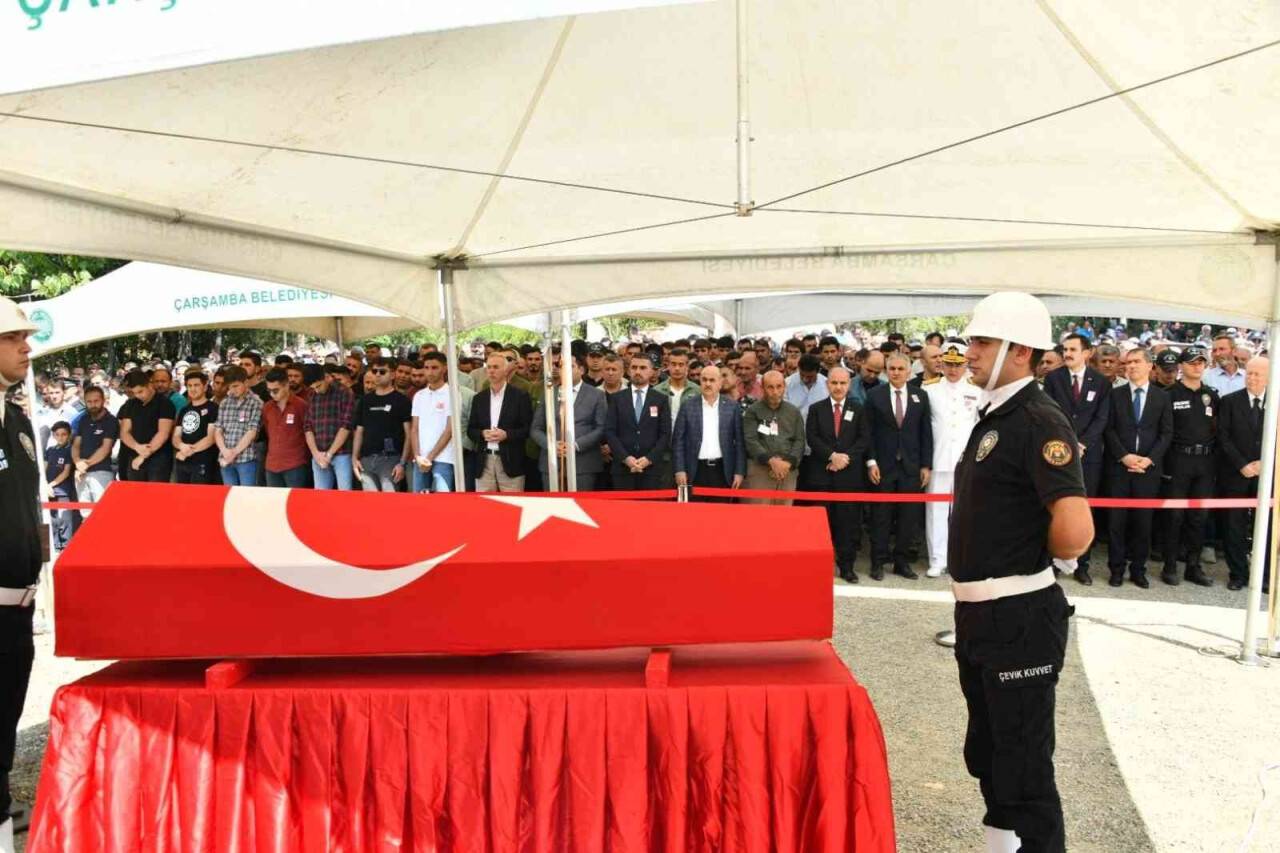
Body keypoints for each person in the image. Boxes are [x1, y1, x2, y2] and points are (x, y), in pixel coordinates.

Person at [949, 292, 1093, 853]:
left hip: (1019, 616)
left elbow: (1075, 529)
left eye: (983, 341)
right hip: (982, 613)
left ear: (1020, 351)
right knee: (988, 753)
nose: (971, 351)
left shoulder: (1037, 418)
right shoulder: (999, 414)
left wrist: (1037, 555)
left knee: (1026, 768)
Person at [0, 298, 41, 850]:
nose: (26, 348)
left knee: (5, 724)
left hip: (19, 608)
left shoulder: (16, 418)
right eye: (13, 338)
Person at [1042, 333, 1112, 585]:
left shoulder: (1101, 383)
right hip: (1058, 453)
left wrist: (1082, 443)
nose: (1067, 353)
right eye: (1065, 349)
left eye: (1073, 349)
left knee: (1085, 508)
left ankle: (1082, 565)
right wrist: (1069, 444)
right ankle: (1054, 562)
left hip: (1088, 455)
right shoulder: (1053, 379)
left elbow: (1102, 419)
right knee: (1055, 506)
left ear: (1087, 352)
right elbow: (1048, 413)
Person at [1103, 348, 1173, 588]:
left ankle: (1138, 570)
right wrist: (1124, 456)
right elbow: (1108, 429)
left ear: (1149, 365)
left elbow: (1166, 433)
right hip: (1119, 469)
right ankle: (1116, 569)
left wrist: (1148, 459)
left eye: (1136, 361)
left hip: (1148, 471)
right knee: (1117, 522)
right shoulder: (1115, 395)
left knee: (1143, 523)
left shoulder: (1162, 397)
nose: (1131, 366)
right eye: (1128, 362)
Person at [866, 352, 933, 580]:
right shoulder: (874, 396)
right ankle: (877, 562)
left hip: (911, 467)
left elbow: (926, 433)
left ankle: (901, 562)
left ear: (908, 372)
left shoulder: (920, 396)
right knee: (881, 516)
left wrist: (926, 465)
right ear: (886, 370)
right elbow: (869, 433)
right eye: (892, 368)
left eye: (900, 369)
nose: (895, 372)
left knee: (908, 517)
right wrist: (871, 461)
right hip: (883, 466)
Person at [804, 367, 871, 582]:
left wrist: (844, 459)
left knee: (848, 524)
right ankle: (819, 566)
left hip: (849, 476)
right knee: (821, 525)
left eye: (843, 383)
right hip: (822, 475)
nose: (838, 387)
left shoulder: (858, 408)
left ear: (849, 385)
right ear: (827, 384)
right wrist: (832, 456)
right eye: (834, 383)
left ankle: (847, 567)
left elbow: (863, 439)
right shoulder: (816, 409)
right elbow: (812, 438)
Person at [921, 341, 981, 577]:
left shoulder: (976, 389)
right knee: (935, 512)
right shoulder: (929, 389)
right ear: (941, 363)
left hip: (965, 460)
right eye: (948, 364)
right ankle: (937, 559)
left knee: (964, 512)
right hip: (939, 458)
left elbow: (979, 424)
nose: (953, 370)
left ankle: (961, 558)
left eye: (957, 365)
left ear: (966, 363)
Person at [1160, 346, 1218, 586]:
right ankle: (1170, 565)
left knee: (1199, 517)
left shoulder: (1211, 395)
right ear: (1181, 366)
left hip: (1204, 462)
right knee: (1174, 516)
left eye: (1201, 362)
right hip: (1178, 460)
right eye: (1192, 362)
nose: (1197, 366)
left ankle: (1193, 566)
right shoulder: (1169, 394)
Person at [1218, 357, 1268, 592]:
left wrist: (1265, 463)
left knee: (1265, 526)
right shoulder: (1229, 402)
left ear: (1269, 376)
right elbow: (1223, 437)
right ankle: (1238, 573)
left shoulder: (1276, 401)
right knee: (1234, 525)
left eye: (1258, 374)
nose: (1252, 378)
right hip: (1235, 473)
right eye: (1249, 373)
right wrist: (1242, 464)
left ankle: (1265, 575)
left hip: (1268, 475)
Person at [531, 351, 607, 492]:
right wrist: (551, 445)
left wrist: (576, 445)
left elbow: (601, 428)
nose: (564, 370)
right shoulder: (548, 393)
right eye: (561, 366)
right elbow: (535, 428)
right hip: (552, 463)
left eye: (570, 366)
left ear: (581, 370)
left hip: (583, 463)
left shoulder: (597, 395)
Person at [672, 364, 745, 501]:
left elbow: (740, 443)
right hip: (694, 470)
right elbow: (678, 441)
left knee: (720, 517)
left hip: (722, 470)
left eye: (712, 380)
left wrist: (739, 472)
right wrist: (679, 469)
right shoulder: (688, 406)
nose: (707, 384)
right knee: (694, 517)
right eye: (704, 380)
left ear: (720, 383)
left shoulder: (732, 407)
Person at [468, 351, 533, 492]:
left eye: (496, 367)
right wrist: (482, 434)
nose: (491, 371)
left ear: (506, 370)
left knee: (513, 507)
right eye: (489, 367)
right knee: (485, 508)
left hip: (511, 460)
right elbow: (471, 429)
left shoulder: (520, 396)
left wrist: (507, 435)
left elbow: (527, 429)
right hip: (484, 461)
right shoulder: (479, 398)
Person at [605, 353, 670, 491]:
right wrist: (626, 458)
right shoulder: (616, 399)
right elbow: (610, 432)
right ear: (628, 371)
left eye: (643, 368)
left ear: (652, 371)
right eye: (634, 367)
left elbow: (665, 434)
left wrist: (648, 459)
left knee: (649, 511)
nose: (638, 371)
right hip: (622, 469)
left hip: (651, 469)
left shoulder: (661, 399)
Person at [742, 370, 805, 504]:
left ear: (784, 387)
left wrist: (787, 463)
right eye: (770, 387)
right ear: (762, 388)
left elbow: (799, 440)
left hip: (787, 471)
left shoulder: (793, 412)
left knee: (783, 519)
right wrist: (771, 461)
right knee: (758, 518)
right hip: (760, 470)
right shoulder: (752, 411)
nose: (775, 391)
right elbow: (750, 440)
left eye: (779, 386)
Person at [353, 357, 411, 492]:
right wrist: (354, 459)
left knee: (390, 505)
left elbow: (409, 434)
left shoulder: (402, 400)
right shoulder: (365, 400)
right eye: (374, 371)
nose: (377, 374)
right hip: (366, 459)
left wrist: (402, 463)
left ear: (392, 374)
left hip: (391, 459)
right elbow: (359, 431)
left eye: (382, 371)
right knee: (371, 506)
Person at [408, 352, 457, 492]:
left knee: (442, 505)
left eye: (434, 367)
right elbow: (414, 429)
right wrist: (418, 456)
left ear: (444, 368)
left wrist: (429, 457)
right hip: (420, 459)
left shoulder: (452, 393)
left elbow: (449, 430)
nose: (430, 372)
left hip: (444, 458)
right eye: (427, 367)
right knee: (419, 507)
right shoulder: (419, 396)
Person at [117, 370, 176, 482]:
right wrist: (136, 447)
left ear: (149, 384)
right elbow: (124, 432)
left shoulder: (165, 404)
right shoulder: (130, 404)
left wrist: (143, 455)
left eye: (140, 391)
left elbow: (163, 433)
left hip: (158, 459)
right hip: (134, 456)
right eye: (134, 393)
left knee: (156, 496)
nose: (138, 396)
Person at [303, 364, 356, 490]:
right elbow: (307, 426)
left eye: (318, 385)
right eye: (313, 387)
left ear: (327, 377)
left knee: (344, 496)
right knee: (321, 498)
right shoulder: (312, 395)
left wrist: (330, 454)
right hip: (318, 454)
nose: (316, 390)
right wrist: (315, 453)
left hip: (341, 453)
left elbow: (346, 425)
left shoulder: (345, 392)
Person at [212, 365, 264, 487]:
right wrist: (224, 451)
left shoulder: (256, 402)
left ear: (246, 382)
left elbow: (252, 431)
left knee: (247, 496)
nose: (232, 390)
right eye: (230, 387)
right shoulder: (225, 402)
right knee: (229, 495)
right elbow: (218, 429)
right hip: (225, 456)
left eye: (236, 386)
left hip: (246, 458)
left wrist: (234, 452)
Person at [260, 367, 310, 487]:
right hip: (272, 465)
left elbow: (308, 432)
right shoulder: (267, 407)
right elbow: (268, 431)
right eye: (269, 391)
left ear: (286, 385)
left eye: (275, 390)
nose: (272, 394)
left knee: (295, 503)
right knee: (274, 504)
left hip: (295, 464)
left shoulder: (301, 405)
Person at [71, 385, 117, 512]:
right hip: (81, 473)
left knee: (103, 513)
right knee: (85, 514)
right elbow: (76, 444)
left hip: (101, 472)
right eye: (89, 402)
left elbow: (105, 448)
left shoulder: (111, 421)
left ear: (103, 400)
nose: (93, 404)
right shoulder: (83, 419)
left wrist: (85, 464)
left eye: (96, 401)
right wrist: (77, 462)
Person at [171, 369, 221, 485]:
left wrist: (188, 451)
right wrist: (181, 446)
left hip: (203, 462)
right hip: (183, 462)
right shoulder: (184, 410)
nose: (193, 389)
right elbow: (176, 435)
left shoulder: (213, 408)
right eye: (189, 385)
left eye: (196, 385)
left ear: (204, 387)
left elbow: (211, 438)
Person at [45, 422, 79, 549]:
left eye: (64, 434)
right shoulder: (50, 450)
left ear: (69, 435)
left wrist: (51, 484)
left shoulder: (70, 450)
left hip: (63, 490)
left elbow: (66, 472)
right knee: (53, 519)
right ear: (53, 436)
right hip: (48, 491)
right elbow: (44, 468)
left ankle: (66, 545)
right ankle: (55, 544)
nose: (60, 437)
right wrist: (45, 486)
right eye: (57, 434)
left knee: (65, 519)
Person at [1204, 333, 1246, 397]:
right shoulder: (1206, 377)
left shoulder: (1247, 377)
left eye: (1222, 349)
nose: (1217, 354)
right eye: (1214, 350)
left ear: (1234, 351)